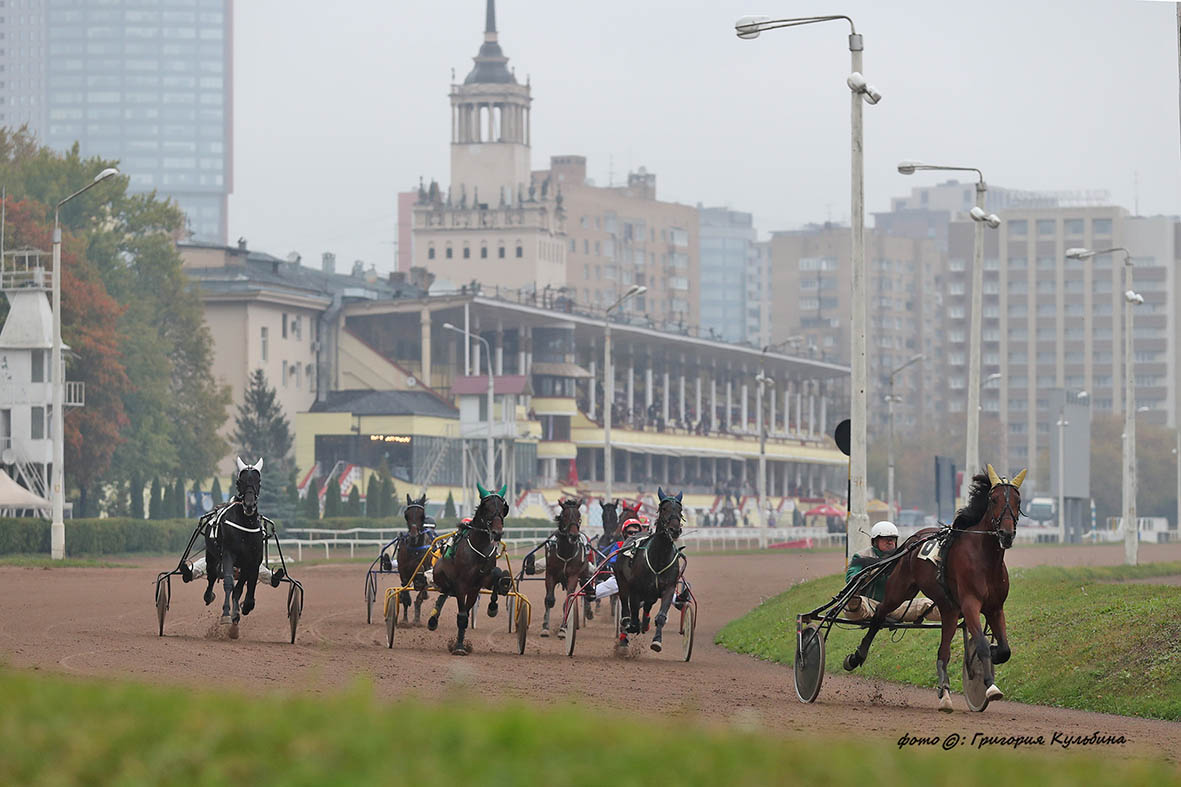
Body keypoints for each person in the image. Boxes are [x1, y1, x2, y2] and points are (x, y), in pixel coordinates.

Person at [843, 521, 939, 623]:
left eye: (892, 539)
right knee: (854, 602)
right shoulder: (861, 556)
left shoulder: (903, 557)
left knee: (927, 604)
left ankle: (956, 611)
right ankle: (855, 606)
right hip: (870, 605)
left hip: (897, 607)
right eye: (886, 539)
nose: (890, 542)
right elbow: (851, 578)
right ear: (875, 541)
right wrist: (869, 575)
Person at [593, 516, 645, 600]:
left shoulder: (644, 546)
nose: (633, 535)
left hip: (640, 579)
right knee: (611, 583)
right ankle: (592, 592)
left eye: (636, 532)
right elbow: (613, 561)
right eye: (630, 532)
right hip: (621, 578)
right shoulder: (619, 545)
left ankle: (674, 599)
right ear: (624, 534)